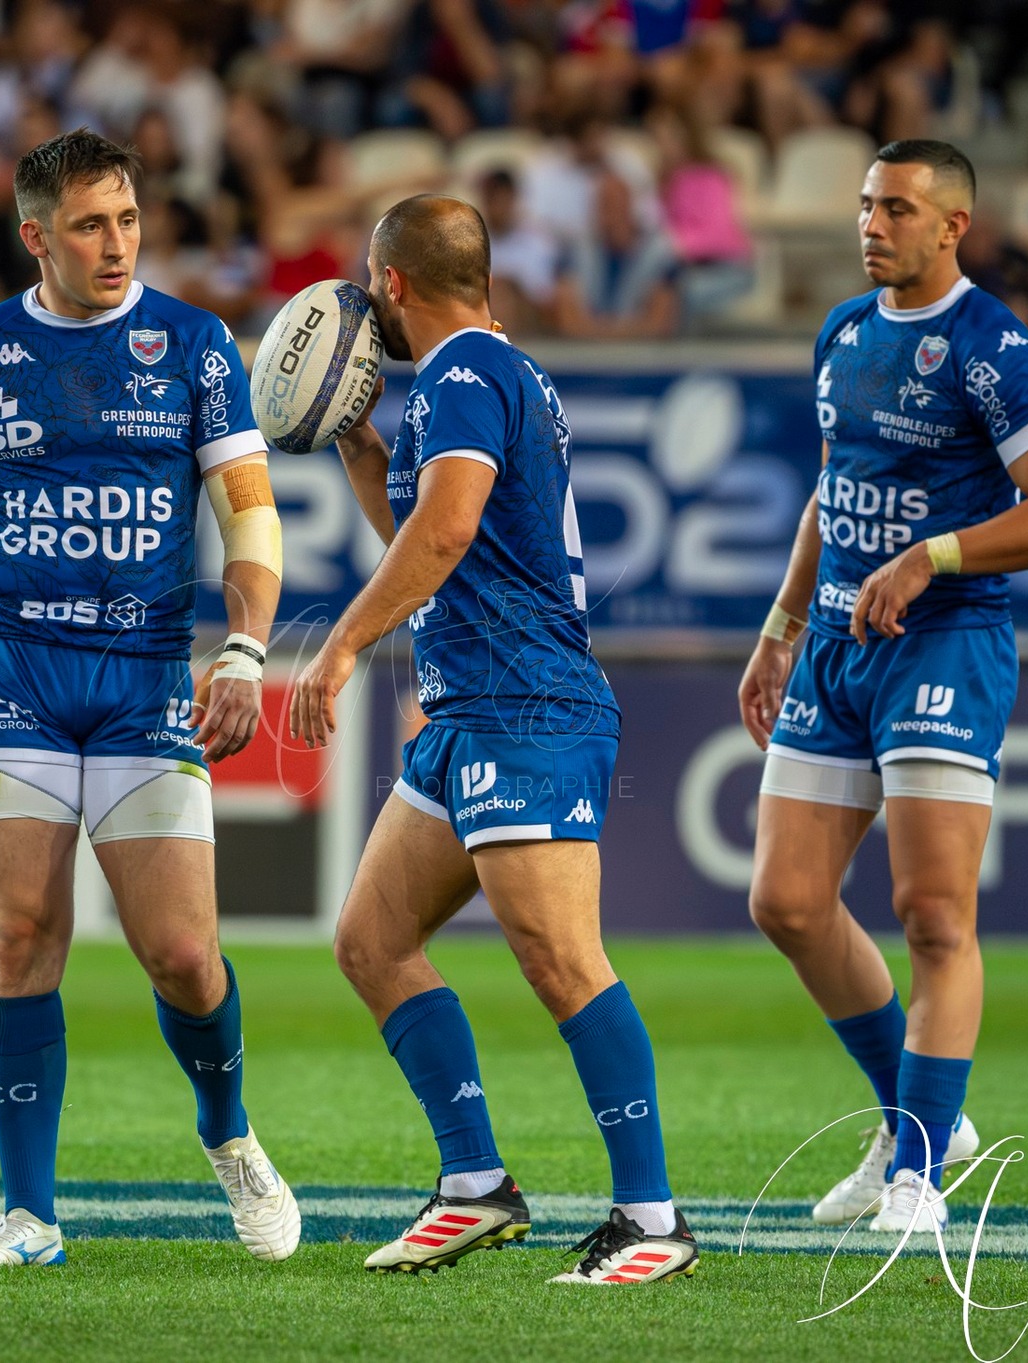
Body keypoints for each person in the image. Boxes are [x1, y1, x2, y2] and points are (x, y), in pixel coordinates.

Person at [0, 127, 300, 1269]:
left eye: (130, 220)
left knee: (184, 957)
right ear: (34, 232)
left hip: (146, 683)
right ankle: (29, 1213)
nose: (116, 244)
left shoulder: (192, 345)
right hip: (14, 675)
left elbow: (248, 512)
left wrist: (245, 649)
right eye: (91, 224)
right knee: (18, 933)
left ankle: (228, 1130)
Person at [289, 194, 698, 1286]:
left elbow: (448, 529)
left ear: (390, 283)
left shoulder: (467, 377)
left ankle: (651, 1217)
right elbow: (429, 535)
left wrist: (334, 650)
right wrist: (359, 445)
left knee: (561, 958)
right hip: (472, 708)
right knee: (370, 940)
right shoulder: (474, 379)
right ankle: (474, 1185)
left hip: (526, 707)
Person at [738, 140, 1028, 1234]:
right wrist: (779, 624)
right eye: (862, 205)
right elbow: (830, 485)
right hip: (836, 643)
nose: (869, 225)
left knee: (932, 914)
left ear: (952, 226)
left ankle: (915, 1173)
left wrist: (931, 555)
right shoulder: (843, 332)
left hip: (942, 642)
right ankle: (920, 1120)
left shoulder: (992, 347)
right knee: (785, 901)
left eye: (894, 208)